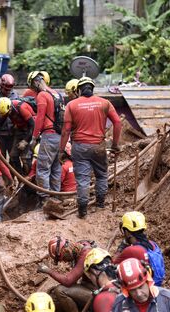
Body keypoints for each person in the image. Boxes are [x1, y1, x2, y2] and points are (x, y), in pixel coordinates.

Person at [60, 77, 122, 219]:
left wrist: (60, 150)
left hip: (79, 147)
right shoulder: (105, 103)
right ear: (93, 88)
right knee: (101, 175)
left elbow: (66, 130)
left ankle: (82, 210)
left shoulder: (72, 105)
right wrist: (115, 146)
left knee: (82, 179)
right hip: (98, 146)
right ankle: (100, 204)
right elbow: (118, 123)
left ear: (79, 89)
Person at [37, 236, 95, 312]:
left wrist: (48, 271)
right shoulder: (79, 247)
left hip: (97, 294)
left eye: (62, 258)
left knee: (60, 291)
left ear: (65, 250)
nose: (63, 261)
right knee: (54, 298)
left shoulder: (85, 254)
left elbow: (68, 281)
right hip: (90, 288)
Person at [29, 70, 65, 200]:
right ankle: (56, 198)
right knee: (56, 168)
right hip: (60, 136)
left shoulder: (42, 96)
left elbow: (40, 118)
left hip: (49, 135)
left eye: (33, 87)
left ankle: (45, 200)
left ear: (36, 82)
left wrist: (34, 137)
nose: (33, 90)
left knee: (43, 169)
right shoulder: (58, 95)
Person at [113, 211, 166, 286]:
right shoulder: (153, 244)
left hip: (143, 288)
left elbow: (112, 266)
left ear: (127, 232)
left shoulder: (131, 250)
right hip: (156, 285)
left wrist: (121, 248)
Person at [0, 96, 36, 175]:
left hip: (30, 131)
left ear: (10, 108)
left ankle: (30, 179)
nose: (6, 115)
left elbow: (33, 125)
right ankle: (21, 178)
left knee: (25, 158)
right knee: (13, 156)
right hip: (20, 129)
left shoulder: (21, 108)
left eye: (7, 113)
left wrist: (25, 141)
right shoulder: (6, 109)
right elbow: (0, 123)